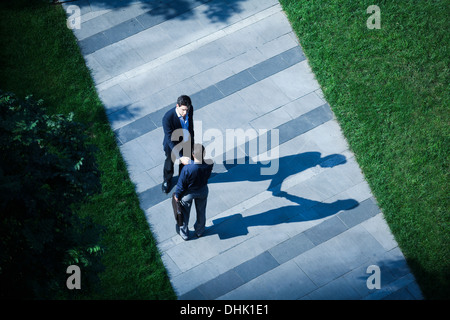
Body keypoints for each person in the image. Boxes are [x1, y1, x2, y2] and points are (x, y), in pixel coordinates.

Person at [174, 144, 213, 240]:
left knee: (184, 214)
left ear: (193, 155)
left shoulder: (187, 168)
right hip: (203, 190)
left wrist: (177, 195)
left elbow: (181, 184)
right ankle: (200, 231)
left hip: (189, 193)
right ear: (204, 154)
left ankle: (184, 234)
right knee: (201, 211)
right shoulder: (210, 163)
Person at [162, 95, 195, 193]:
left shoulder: (190, 109)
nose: (185, 113)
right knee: (169, 162)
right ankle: (167, 180)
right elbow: (169, 138)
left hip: (186, 141)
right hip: (172, 144)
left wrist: (192, 143)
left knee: (185, 165)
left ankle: (183, 180)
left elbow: (191, 126)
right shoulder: (167, 118)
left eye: (187, 110)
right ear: (177, 106)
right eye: (183, 110)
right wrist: (180, 156)